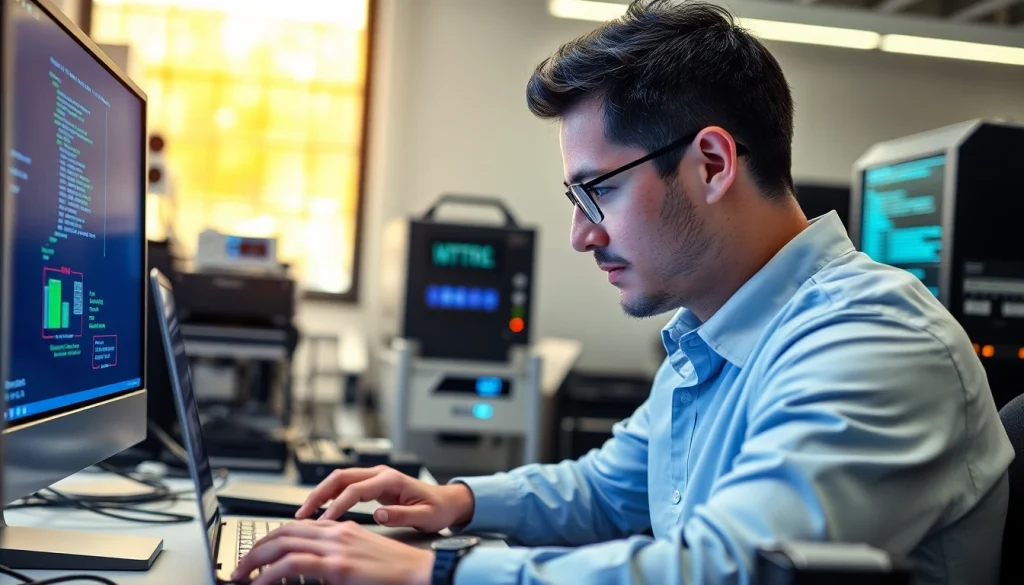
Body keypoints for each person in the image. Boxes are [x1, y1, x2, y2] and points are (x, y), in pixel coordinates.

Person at [232, 1, 1014, 584]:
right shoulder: (711, 331)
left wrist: (433, 572)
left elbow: (731, 567)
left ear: (711, 163)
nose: (582, 236)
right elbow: (609, 486)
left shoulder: (874, 339)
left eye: (595, 192)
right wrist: (454, 500)